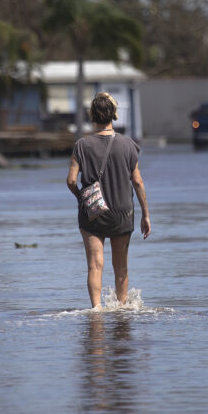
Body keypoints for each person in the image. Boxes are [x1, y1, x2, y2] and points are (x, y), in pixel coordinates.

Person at [66, 92, 151, 309]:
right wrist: (145, 215)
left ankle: (96, 310)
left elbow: (71, 180)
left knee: (95, 265)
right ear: (114, 115)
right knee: (120, 267)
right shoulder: (129, 145)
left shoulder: (81, 146)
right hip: (122, 213)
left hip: (92, 213)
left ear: (92, 115)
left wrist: (82, 198)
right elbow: (138, 182)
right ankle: (122, 311)